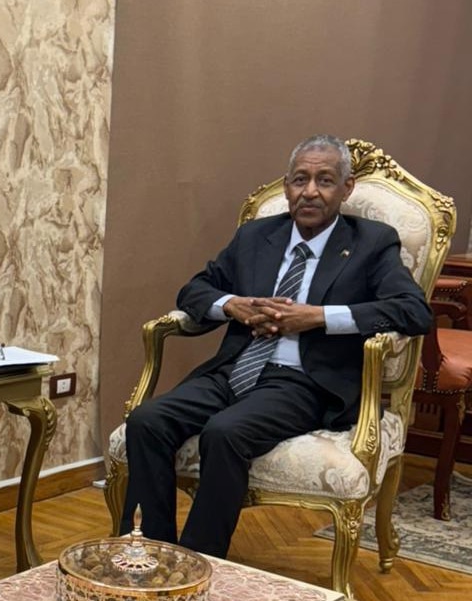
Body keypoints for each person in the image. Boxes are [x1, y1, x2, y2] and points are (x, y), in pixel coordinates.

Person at [120, 134, 432, 558]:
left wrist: (319, 317)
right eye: (300, 180)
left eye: (325, 180)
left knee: (225, 432)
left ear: (347, 188)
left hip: (305, 381)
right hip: (236, 369)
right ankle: (147, 554)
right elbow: (194, 290)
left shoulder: (371, 242)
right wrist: (232, 305)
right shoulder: (256, 236)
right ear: (286, 186)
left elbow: (413, 311)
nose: (310, 191)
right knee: (147, 420)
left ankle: (197, 563)